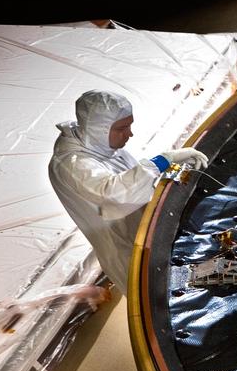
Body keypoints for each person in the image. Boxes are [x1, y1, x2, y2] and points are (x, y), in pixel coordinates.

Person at [49, 90, 209, 295]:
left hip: (146, 232)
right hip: (127, 250)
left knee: (187, 279)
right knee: (165, 293)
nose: (130, 134)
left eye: (129, 125)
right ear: (99, 128)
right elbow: (114, 194)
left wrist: (167, 171)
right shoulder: (71, 164)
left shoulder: (102, 146)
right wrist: (163, 160)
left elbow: (133, 181)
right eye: (122, 128)